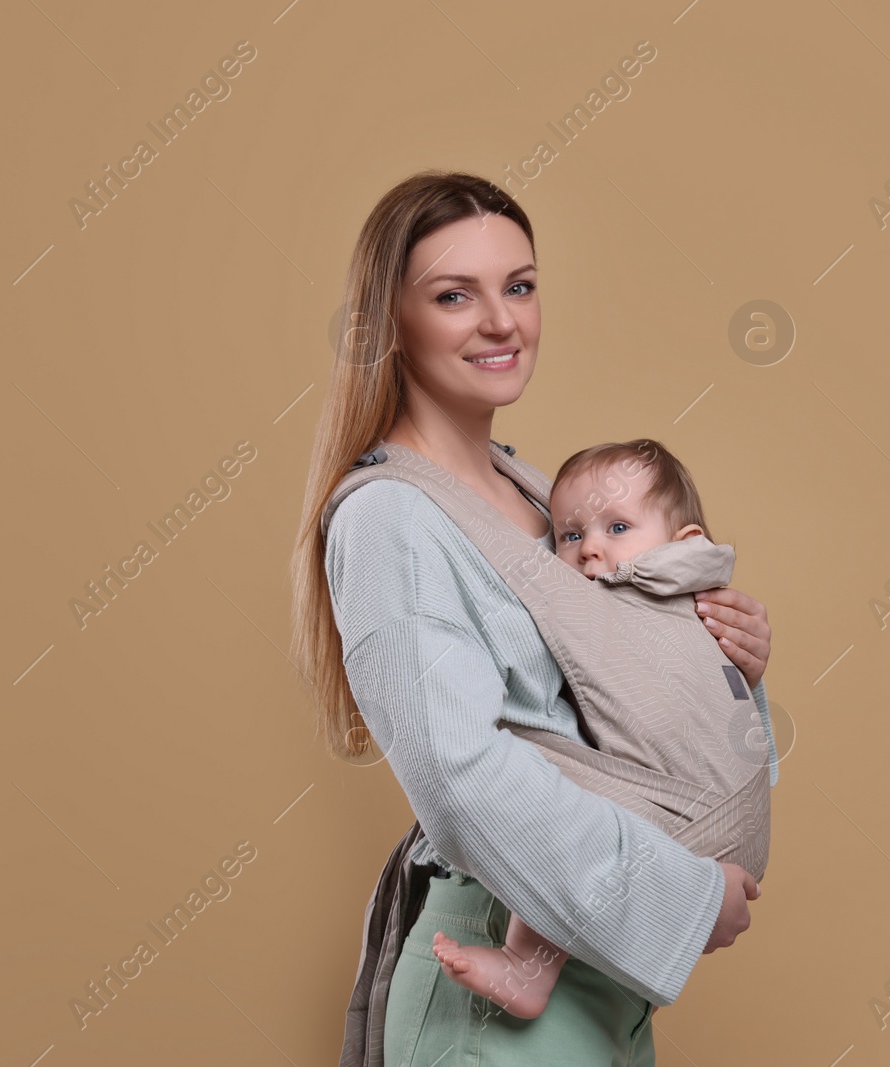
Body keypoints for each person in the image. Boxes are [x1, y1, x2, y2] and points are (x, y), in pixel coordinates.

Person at [289, 171, 773, 1066]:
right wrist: (684, 896)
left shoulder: (546, 496)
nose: (502, 321)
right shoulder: (392, 517)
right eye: (452, 295)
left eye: (519, 285)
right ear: (389, 324)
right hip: (495, 986)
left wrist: (731, 657)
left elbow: (617, 715)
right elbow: (458, 773)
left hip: (599, 985)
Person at [427, 438, 776, 1019]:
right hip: (731, 821)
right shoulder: (693, 591)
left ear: (684, 543)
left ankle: (525, 969)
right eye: (569, 535)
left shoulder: (637, 592)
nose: (589, 549)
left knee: (555, 797)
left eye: (617, 527)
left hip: (690, 822)